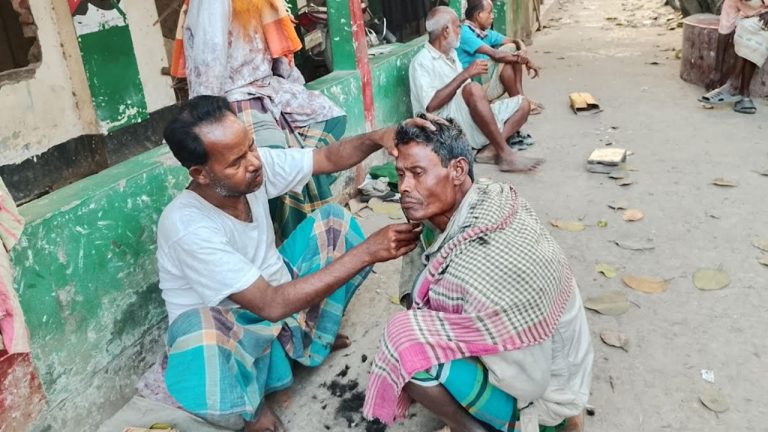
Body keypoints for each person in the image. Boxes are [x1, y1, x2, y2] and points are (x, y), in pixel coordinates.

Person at [157, 96, 426, 431]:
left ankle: (308, 341)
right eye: (237, 161)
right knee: (197, 333)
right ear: (201, 174)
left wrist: (377, 137)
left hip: (278, 301)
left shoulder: (251, 171)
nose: (254, 162)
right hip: (236, 332)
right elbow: (269, 304)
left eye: (251, 147)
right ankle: (249, 410)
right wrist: (369, 251)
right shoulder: (187, 226)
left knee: (334, 224)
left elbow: (326, 157)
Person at [362, 116, 592, 432]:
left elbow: (529, 385)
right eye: (401, 174)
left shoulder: (478, 268)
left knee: (403, 347)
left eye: (417, 173)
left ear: (457, 170)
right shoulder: (487, 195)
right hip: (552, 363)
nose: (404, 187)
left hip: (546, 405)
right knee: (422, 241)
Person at [177, 0, 350, 242]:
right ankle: (298, 242)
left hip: (271, 90)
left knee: (332, 120)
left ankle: (301, 220)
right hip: (232, 101)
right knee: (276, 170)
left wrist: (293, 92)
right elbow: (209, 61)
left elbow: (280, 55)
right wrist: (209, 119)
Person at [409, 6, 544, 173]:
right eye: (458, 26)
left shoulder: (451, 54)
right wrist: (465, 74)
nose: (460, 30)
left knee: (523, 104)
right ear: (445, 31)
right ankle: (506, 154)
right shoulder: (422, 62)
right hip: (443, 125)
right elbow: (430, 106)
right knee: (472, 87)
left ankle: (490, 150)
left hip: (464, 116)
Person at [458, 0, 543, 119]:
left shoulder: (485, 32)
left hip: (484, 81)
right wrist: (525, 61)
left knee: (512, 49)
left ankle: (520, 99)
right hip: (472, 89)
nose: (493, 16)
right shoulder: (464, 33)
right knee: (507, 60)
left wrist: (523, 52)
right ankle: (519, 102)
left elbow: (515, 41)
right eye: (489, 13)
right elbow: (495, 55)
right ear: (478, 15)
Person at [698, 0, 768, 114]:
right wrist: (717, 71)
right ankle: (743, 94)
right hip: (752, 23)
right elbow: (724, 30)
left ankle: (734, 86)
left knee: (752, 28)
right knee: (746, 28)